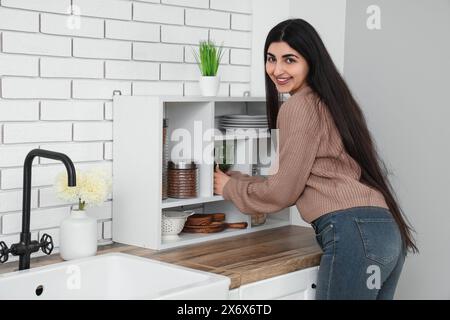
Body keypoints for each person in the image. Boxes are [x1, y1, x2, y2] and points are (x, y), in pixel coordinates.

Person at [213, 18, 418, 300]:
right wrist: (241, 180)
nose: (277, 69)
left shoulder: (298, 106)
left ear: (310, 61)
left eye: (290, 60)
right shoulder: (333, 101)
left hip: (353, 234)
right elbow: (297, 175)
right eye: (271, 59)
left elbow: (282, 192)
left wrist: (229, 188)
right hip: (386, 232)